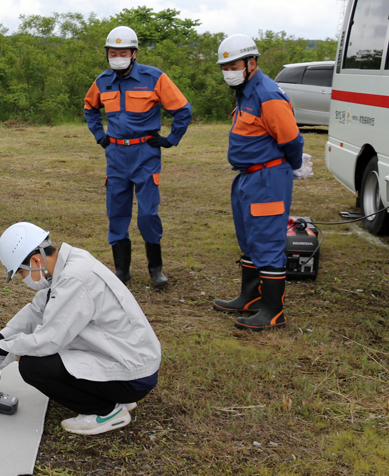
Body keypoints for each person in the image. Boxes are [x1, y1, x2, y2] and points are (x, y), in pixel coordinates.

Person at [0, 222, 161, 435]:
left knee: (33, 367)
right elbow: (36, 311)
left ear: (35, 261)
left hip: (133, 374)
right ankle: (113, 397)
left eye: (21, 274)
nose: (23, 279)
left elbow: (46, 341)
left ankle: (105, 411)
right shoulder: (69, 264)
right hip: (130, 358)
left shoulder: (73, 279)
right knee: (50, 356)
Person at [83, 26, 192, 287]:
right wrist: (100, 136)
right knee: (117, 212)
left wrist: (170, 139)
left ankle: (156, 270)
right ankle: (122, 271)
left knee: (147, 213)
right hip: (117, 154)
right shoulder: (102, 81)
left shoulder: (155, 78)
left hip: (145, 153)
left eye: (122, 52)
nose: (116, 56)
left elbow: (183, 110)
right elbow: (90, 108)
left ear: (134, 53)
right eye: (112, 52)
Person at [212, 34, 304, 331]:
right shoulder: (246, 91)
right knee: (249, 239)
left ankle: (273, 311)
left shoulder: (267, 93)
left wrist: (296, 166)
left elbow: (291, 138)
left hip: (267, 178)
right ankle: (249, 297)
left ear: (251, 63)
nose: (229, 71)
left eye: (233, 64)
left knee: (266, 241)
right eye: (224, 66)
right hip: (247, 177)